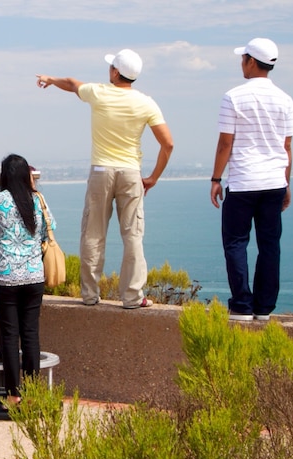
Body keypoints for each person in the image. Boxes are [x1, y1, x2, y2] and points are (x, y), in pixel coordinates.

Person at [36, 49, 173, 308]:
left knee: (93, 233)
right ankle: (133, 296)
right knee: (133, 235)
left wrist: (50, 79)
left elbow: (72, 83)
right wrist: (153, 177)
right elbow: (168, 144)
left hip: (100, 172)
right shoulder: (146, 103)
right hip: (131, 173)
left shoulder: (99, 93)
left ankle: (89, 294)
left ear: (114, 71)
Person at [209, 38, 293, 322]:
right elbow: (286, 147)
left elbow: (225, 143)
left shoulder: (233, 96)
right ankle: (264, 307)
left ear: (251, 61)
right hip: (273, 182)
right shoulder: (285, 99)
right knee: (270, 245)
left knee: (235, 243)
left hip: (244, 182)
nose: (241, 62)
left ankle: (242, 306)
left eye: (243, 58)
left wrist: (216, 178)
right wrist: (286, 183)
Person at [0, 154, 52, 403]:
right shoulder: (37, 200)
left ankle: (13, 396)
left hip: (5, 278)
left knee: (9, 335)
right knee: (30, 334)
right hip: (33, 276)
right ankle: (32, 395)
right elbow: (48, 231)